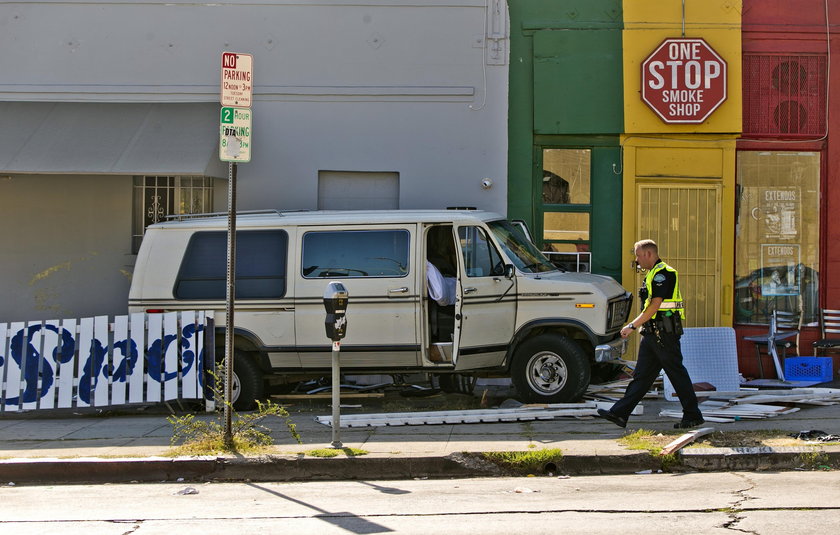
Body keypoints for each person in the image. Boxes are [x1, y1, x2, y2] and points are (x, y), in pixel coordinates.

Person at [597, 239, 704, 430]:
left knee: (676, 373)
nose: (637, 260)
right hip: (652, 333)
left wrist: (631, 325)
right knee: (642, 377)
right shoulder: (652, 274)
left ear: (648, 254)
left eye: (638, 256)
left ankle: (693, 415)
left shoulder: (663, 274)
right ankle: (620, 413)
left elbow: (655, 305)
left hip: (663, 333)